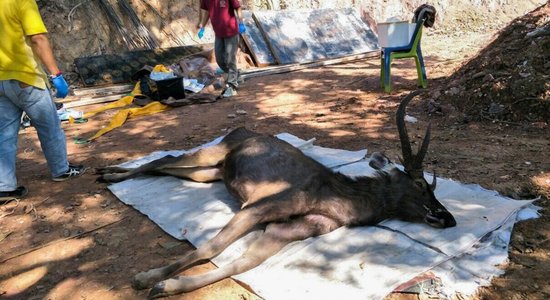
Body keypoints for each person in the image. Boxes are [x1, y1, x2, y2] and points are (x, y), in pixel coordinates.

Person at [0, 0, 86, 202]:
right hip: (26, 79)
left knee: (5, 134)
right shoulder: (22, 2)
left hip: (1, 82)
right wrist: (56, 74)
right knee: (50, 127)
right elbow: (38, 38)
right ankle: (61, 170)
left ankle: (4, 186)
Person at [197, 0, 246, 98]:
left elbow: (237, 7)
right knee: (219, 59)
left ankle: (232, 86)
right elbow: (207, 11)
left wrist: (241, 22)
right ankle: (236, 74)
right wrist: (202, 26)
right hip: (219, 33)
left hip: (231, 31)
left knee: (229, 59)